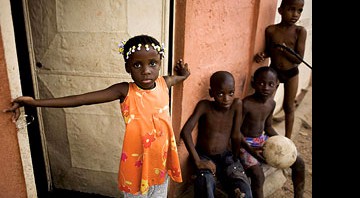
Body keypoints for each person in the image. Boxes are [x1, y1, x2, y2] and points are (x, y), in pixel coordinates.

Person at [3, 34, 190, 197]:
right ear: (127, 67)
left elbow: (178, 78)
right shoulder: (125, 91)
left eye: (152, 63)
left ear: (160, 63)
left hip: (162, 162)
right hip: (137, 164)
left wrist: (184, 74)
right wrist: (35, 102)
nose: (146, 70)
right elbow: (81, 99)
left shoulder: (164, 83)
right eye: (137, 64)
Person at [180, 71, 256, 198]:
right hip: (205, 156)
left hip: (226, 156)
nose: (226, 99)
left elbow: (236, 135)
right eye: (220, 94)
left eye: (231, 93)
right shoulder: (204, 106)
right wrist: (198, 161)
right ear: (211, 93)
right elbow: (186, 132)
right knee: (205, 183)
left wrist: (236, 158)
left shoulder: (236, 105)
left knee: (242, 188)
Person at [239, 66, 305, 198]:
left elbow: (268, 127)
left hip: (261, 140)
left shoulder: (271, 103)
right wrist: (253, 152)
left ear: (277, 85)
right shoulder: (246, 104)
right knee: (258, 176)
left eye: (270, 84)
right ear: (254, 83)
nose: (266, 88)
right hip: (244, 144)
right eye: (261, 83)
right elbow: (235, 133)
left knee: (299, 162)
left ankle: (299, 195)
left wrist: (286, 143)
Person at [253, 0, 307, 139]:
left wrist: (285, 50)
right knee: (267, 104)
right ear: (280, 10)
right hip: (274, 72)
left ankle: (288, 139)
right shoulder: (271, 30)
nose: (295, 14)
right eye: (291, 9)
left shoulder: (300, 31)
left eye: (299, 10)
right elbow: (269, 51)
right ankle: (266, 134)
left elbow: (299, 59)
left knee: (288, 107)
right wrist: (262, 55)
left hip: (291, 73)